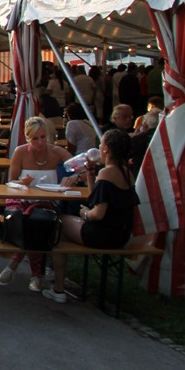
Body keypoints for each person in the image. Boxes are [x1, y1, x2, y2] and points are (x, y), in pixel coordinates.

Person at [43, 129, 136, 303]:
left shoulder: (107, 173)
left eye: (101, 144)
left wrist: (85, 213)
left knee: (59, 222)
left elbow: (97, 213)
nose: (99, 147)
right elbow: (97, 199)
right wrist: (91, 175)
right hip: (121, 234)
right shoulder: (127, 173)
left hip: (103, 234)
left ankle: (58, 286)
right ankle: (56, 276)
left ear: (106, 149)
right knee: (65, 229)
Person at [0, 116, 74, 291]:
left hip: (44, 200)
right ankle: (36, 275)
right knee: (28, 220)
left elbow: (80, 166)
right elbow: (11, 181)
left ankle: (14, 265)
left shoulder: (56, 151)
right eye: (35, 138)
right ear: (28, 138)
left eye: (43, 137)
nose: (40, 142)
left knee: (37, 221)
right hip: (20, 198)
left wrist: (73, 177)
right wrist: (23, 183)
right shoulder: (20, 152)